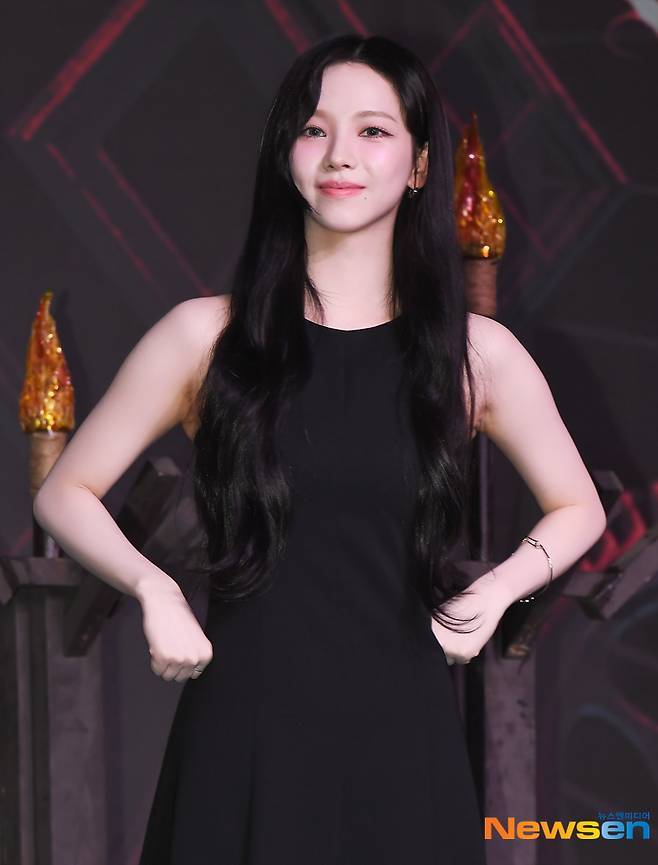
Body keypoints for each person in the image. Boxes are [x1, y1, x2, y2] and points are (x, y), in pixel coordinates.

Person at [33, 33, 606, 865]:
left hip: (404, 738)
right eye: (314, 128)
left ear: (418, 165)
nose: (340, 153)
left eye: (373, 130)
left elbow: (579, 505)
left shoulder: (474, 355)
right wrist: (154, 587)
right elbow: (64, 491)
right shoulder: (207, 337)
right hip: (245, 732)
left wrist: (499, 589)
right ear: (286, 153)